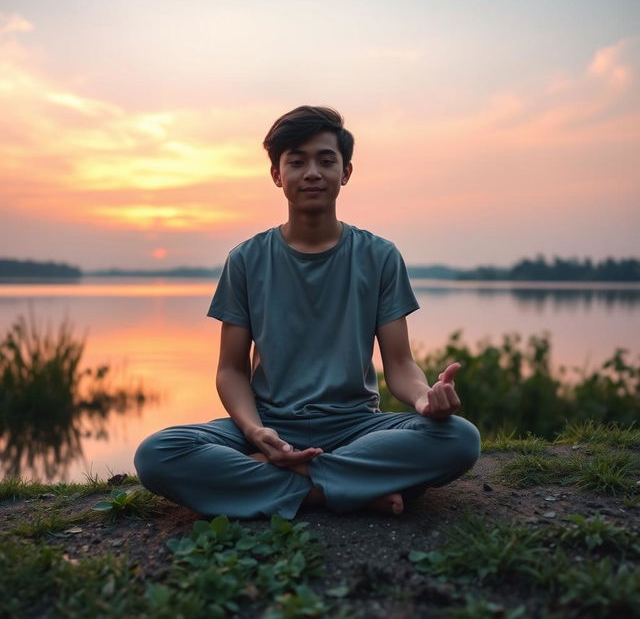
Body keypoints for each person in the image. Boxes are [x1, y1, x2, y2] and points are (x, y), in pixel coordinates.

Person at [134, 106, 480, 520]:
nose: (312, 172)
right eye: (296, 162)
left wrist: (425, 399)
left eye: (325, 160)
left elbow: (400, 363)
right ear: (278, 175)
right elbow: (230, 370)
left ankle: (286, 483)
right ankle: (341, 489)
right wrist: (254, 431)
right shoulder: (246, 260)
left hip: (355, 428)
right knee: (158, 453)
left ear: (345, 172)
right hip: (270, 423)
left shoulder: (380, 256)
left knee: (460, 439)